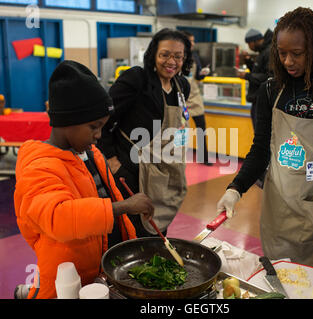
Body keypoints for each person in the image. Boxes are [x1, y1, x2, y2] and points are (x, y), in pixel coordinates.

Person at [216, 7, 313, 277]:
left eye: (297, 54)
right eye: (282, 53)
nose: (288, 61)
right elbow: (261, 149)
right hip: (281, 208)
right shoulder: (270, 89)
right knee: (282, 283)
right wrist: (235, 188)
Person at [13, 60, 154, 299]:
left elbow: (104, 195)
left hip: (98, 268)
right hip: (65, 277)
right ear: (67, 122)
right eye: (94, 127)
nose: (99, 135)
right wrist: (125, 207)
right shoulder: (39, 166)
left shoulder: (90, 153)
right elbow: (59, 216)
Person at [97, 28, 192, 238]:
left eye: (178, 56)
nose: (171, 61)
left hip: (165, 172)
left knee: (158, 230)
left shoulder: (181, 86)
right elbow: (103, 117)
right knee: (131, 232)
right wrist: (112, 159)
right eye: (165, 54)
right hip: (132, 170)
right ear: (153, 55)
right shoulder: (137, 79)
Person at [181, 31, 212, 166]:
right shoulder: (178, 56)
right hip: (181, 99)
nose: (193, 44)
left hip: (194, 96)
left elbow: (197, 76)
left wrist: (203, 73)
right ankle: (178, 157)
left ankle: (203, 157)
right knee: (181, 130)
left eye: (194, 41)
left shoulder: (195, 56)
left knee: (201, 128)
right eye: (191, 41)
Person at [239, 28, 274, 128]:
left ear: (255, 41)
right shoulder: (263, 51)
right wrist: (248, 61)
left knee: (261, 133)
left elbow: (269, 76)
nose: (249, 47)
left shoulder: (268, 52)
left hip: (263, 101)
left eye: (249, 44)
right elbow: (259, 71)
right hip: (258, 99)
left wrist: (246, 76)